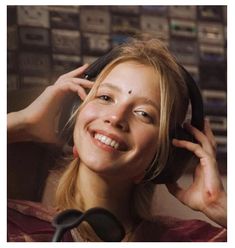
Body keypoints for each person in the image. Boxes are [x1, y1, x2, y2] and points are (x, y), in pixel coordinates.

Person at [7, 36, 227, 242]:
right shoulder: (13, 224)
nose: (116, 117)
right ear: (73, 114)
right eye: (105, 97)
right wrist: (22, 123)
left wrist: (218, 204)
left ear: (166, 155)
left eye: (143, 113)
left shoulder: (192, 239)